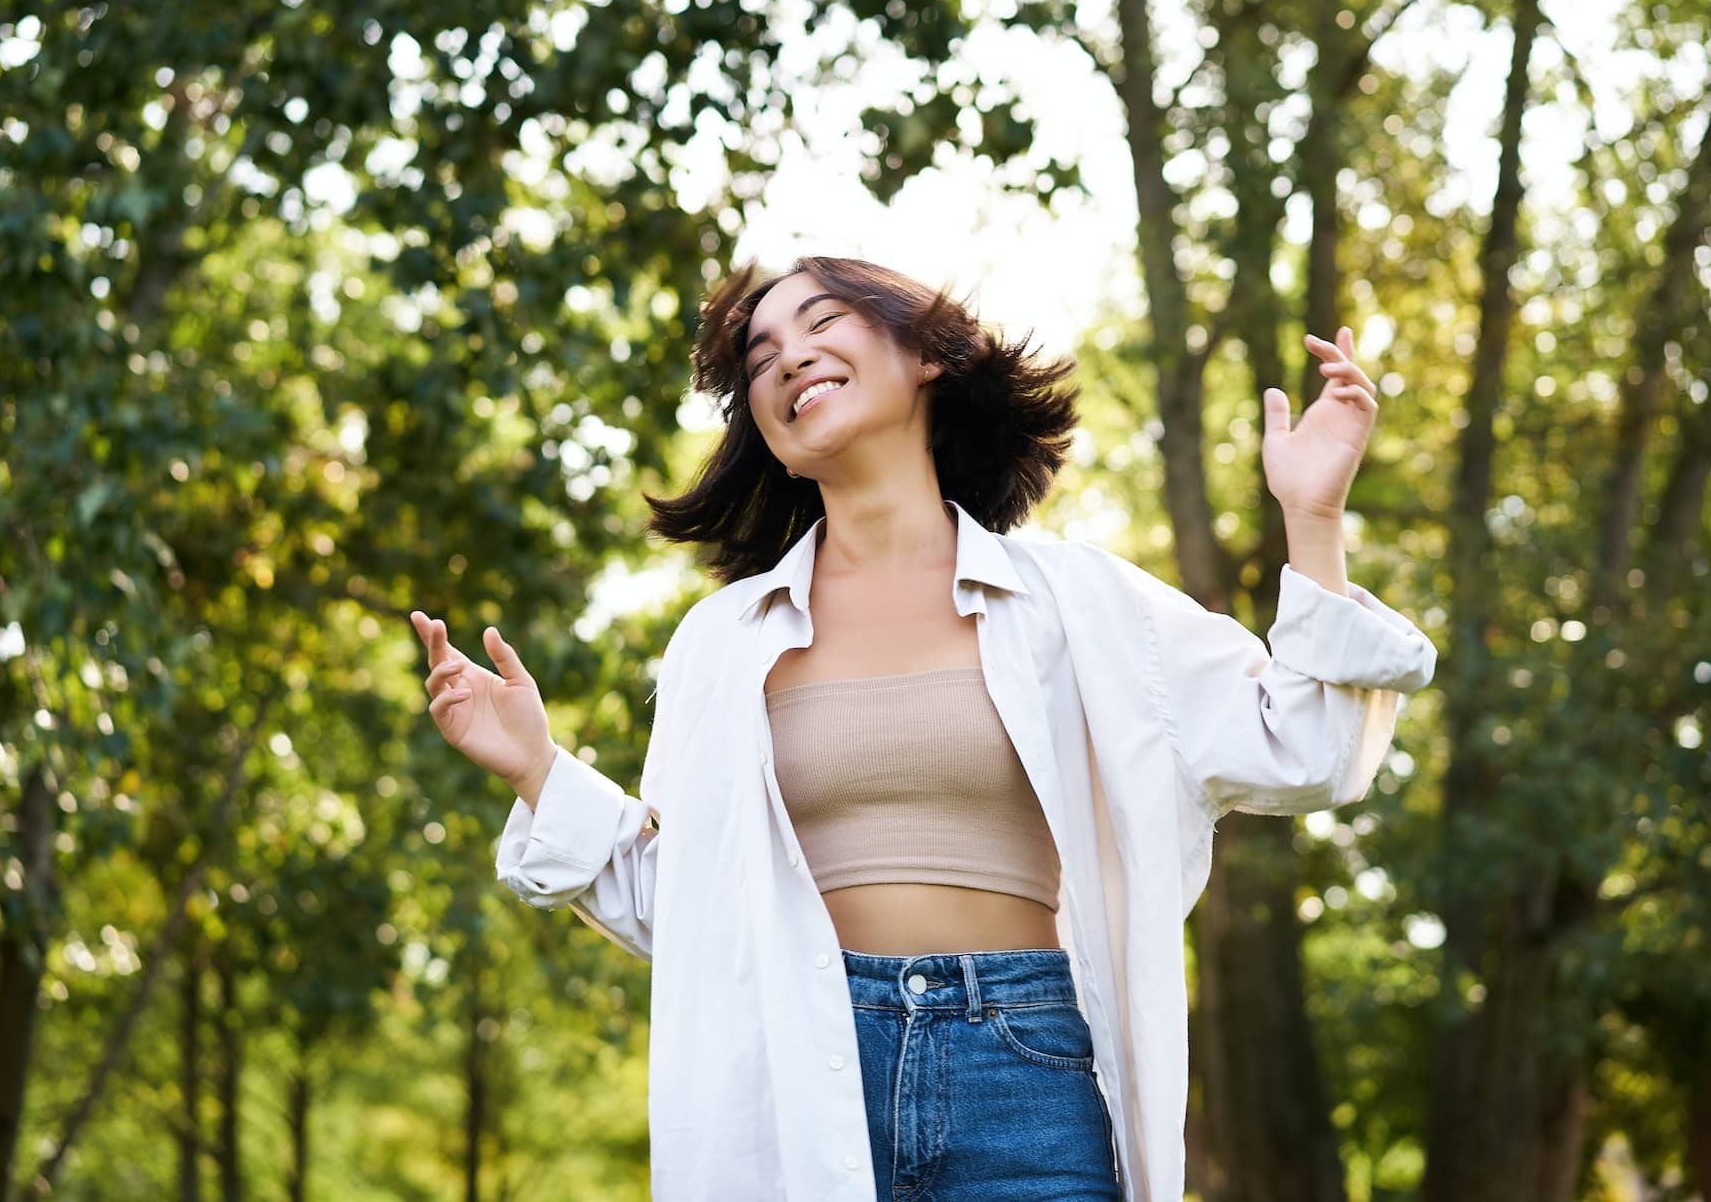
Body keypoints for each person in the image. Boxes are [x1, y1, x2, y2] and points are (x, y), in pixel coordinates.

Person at [411, 255, 1437, 1200]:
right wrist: (538, 768)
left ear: (926, 355)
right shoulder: (722, 641)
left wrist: (1312, 517)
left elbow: (1307, 748)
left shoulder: (1078, 603)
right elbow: (687, 912)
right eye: (758, 357)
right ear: (762, 427)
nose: (787, 358)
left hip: (1023, 1070)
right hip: (799, 1071)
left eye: (821, 321)